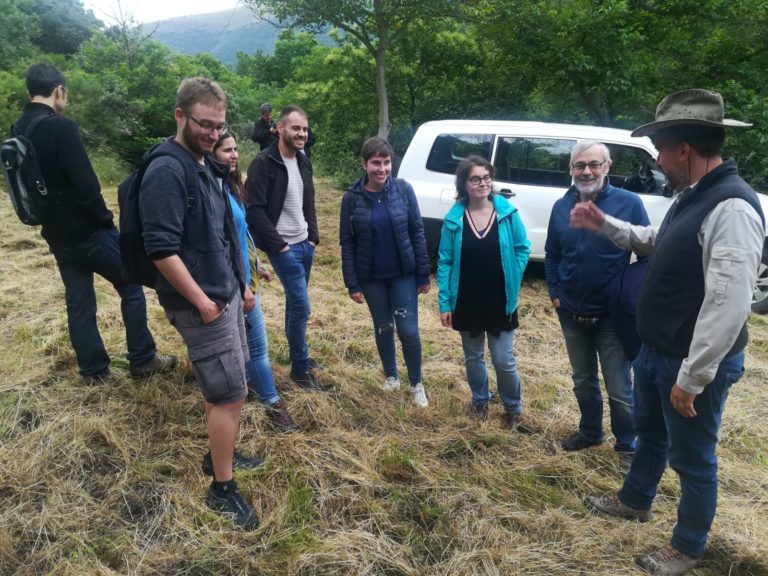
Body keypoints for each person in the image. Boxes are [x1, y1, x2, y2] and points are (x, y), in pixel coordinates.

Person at [577, 89, 764, 575]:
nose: (657, 160)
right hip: (658, 352)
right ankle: (636, 500)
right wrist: (606, 225)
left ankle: (688, 546)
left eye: (660, 149)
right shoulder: (693, 198)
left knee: (693, 458)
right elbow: (655, 243)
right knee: (651, 436)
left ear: (684, 149)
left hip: (690, 365)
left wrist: (694, 377)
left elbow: (728, 304)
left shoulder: (734, 209)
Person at [140, 78, 263, 530]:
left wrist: (241, 286)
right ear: (180, 115)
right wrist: (204, 304)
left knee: (225, 389)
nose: (213, 134)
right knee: (230, 394)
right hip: (201, 305)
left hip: (226, 294)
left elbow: (221, 234)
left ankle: (219, 459)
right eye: (204, 125)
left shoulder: (202, 164)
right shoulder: (167, 171)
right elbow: (161, 248)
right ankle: (222, 489)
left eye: (219, 126)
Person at [12, 63, 176, 384]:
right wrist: (105, 221)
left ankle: (93, 371)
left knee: (79, 302)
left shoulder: (19, 129)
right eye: (65, 93)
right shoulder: (61, 127)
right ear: (59, 90)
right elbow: (87, 185)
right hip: (89, 231)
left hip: (55, 234)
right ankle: (142, 358)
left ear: (29, 91)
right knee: (130, 285)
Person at [545, 140, 650, 468]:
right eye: (579, 165)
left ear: (607, 166)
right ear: (571, 169)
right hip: (570, 311)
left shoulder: (629, 203)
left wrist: (631, 296)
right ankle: (590, 432)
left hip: (611, 315)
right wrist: (554, 291)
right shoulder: (561, 206)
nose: (586, 171)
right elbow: (552, 253)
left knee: (619, 387)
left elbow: (647, 254)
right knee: (583, 379)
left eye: (594, 164)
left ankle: (626, 443)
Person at [213, 131, 300, 433]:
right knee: (257, 349)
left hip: (246, 277)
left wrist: (258, 265)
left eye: (235, 149)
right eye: (226, 150)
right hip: (237, 285)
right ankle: (274, 406)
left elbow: (242, 235)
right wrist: (243, 285)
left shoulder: (230, 188)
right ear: (211, 154)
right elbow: (222, 247)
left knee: (248, 347)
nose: (234, 155)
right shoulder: (216, 194)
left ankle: (252, 390)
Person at [437, 155, 531, 426]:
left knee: (504, 359)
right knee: (474, 356)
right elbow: (445, 261)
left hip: (500, 299)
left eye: (487, 177)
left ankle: (513, 407)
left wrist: (514, 272)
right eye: (476, 178)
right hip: (466, 299)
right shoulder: (454, 219)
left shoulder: (507, 213)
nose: (483, 183)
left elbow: (522, 248)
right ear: (464, 184)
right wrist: (445, 303)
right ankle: (480, 400)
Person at [339, 137, 431, 407]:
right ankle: (391, 376)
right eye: (376, 163)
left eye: (386, 162)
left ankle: (416, 382)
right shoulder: (352, 198)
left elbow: (417, 231)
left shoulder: (403, 190)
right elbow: (347, 242)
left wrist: (423, 273)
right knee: (383, 327)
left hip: (403, 275)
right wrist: (352, 283)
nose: (382, 168)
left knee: (409, 331)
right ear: (364, 164)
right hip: (372, 279)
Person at [246, 105, 323, 390]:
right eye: (295, 128)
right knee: (302, 305)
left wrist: (313, 237)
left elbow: (310, 201)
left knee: (295, 304)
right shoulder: (263, 163)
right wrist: (278, 247)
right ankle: (300, 369)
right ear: (279, 128)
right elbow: (254, 210)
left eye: (304, 129)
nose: (301, 133)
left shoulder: (303, 160)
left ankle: (298, 354)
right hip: (284, 248)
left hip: (305, 244)